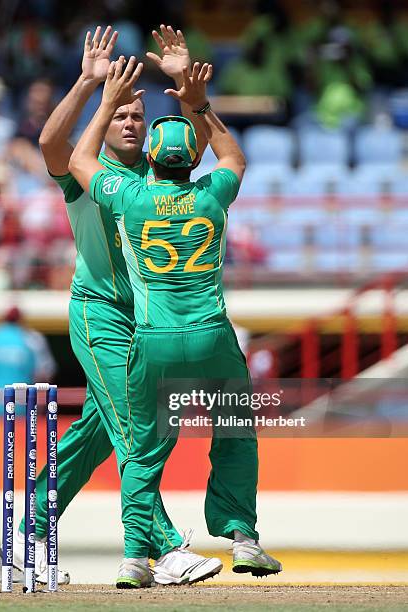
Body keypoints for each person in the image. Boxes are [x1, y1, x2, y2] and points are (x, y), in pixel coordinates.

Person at [13, 25, 221, 587]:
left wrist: (185, 85)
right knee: (136, 429)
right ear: (105, 128)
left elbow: (203, 146)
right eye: (121, 116)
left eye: (138, 117)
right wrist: (89, 84)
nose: (130, 123)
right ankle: (168, 548)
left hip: (150, 323)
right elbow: (52, 146)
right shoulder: (88, 174)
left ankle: (29, 516)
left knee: (100, 431)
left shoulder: (161, 174)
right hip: (99, 312)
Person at [69, 56, 282, 587]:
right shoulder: (213, 196)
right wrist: (197, 101)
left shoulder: (133, 199)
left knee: (142, 448)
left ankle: (135, 559)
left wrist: (104, 104)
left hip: (153, 340)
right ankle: (244, 539)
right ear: (193, 161)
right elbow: (233, 154)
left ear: (153, 162)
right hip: (211, 336)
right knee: (234, 429)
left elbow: (78, 160)